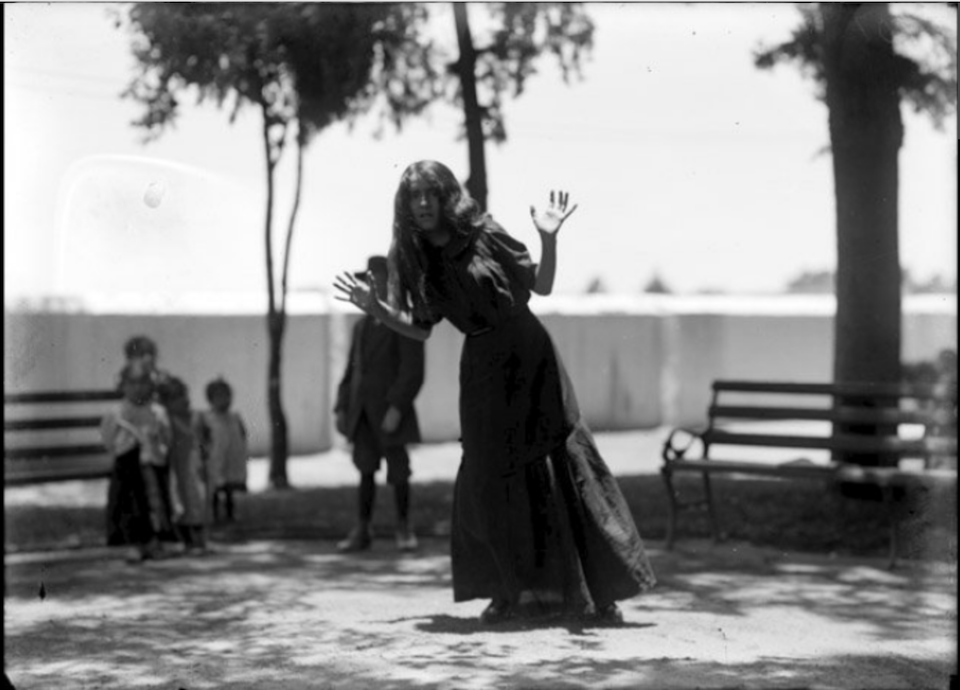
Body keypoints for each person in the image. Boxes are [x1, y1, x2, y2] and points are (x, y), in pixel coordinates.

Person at [334, 160, 655, 624]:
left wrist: (548, 237)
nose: (422, 203)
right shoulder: (414, 256)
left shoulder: (484, 232)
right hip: (481, 366)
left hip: (530, 355)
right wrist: (378, 309)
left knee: (559, 463)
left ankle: (599, 594)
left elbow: (541, 285)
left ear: (447, 195)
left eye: (430, 193)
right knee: (487, 475)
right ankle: (509, 590)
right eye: (414, 196)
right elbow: (420, 329)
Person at [334, 255, 426, 553]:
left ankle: (404, 528)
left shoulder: (403, 321)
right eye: (368, 280)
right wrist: (341, 407)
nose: (372, 286)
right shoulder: (361, 326)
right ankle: (362, 529)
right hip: (362, 412)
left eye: (379, 279)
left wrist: (397, 407)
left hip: (390, 413)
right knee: (364, 469)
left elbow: (412, 371)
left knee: (399, 473)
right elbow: (352, 370)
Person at [101, 362, 175, 562]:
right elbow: (108, 439)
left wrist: (158, 445)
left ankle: (154, 541)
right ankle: (134, 544)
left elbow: (167, 438)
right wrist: (122, 447)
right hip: (127, 467)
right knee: (130, 504)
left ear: (151, 385)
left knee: (154, 503)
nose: (138, 388)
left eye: (143, 383)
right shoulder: (117, 412)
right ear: (123, 385)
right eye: (132, 383)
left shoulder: (157, 411)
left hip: (152, 466)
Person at [158, 376, 209, 553]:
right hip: (178, 470)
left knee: (198, 502)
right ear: (166, 403)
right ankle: (186, 540)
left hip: (195, 469)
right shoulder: (168, 421)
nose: (184, 400)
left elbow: (202, 441)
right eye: (176, 397)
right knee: (181, 503)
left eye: (184, 395)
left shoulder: (195, 418)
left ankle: (201, 540)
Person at [198, 377, 249, 523]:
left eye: (227, 396)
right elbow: (203, 439)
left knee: (229, 487)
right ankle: (213, 513)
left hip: (232, 458)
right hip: (215, 459)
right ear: (210, 399)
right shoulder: (207, 419)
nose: (224, 400)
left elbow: (242, 435)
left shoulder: (234, 417)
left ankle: (230, 512)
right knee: (214, 487)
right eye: (219, 397)